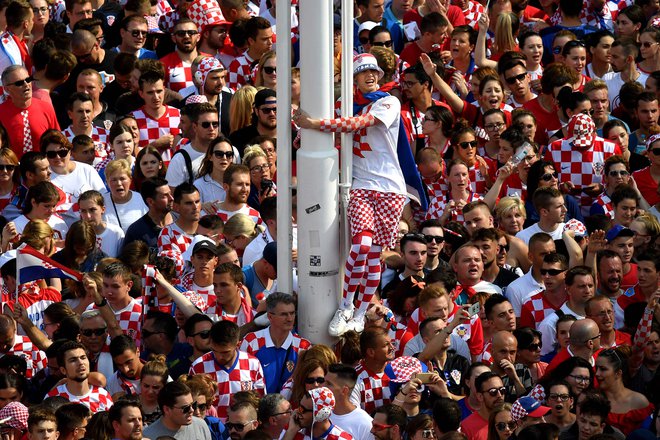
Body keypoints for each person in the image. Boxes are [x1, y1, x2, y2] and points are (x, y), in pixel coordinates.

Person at [295, 52, 412, 337]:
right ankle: (346, 305)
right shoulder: (344, 105)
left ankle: (360, 312)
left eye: (374, 71)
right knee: (360, 245)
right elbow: (332, 127)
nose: (370, 76)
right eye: (363, 73)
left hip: (389, 188)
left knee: (374, 256)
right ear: (354, 79)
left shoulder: (388, 101)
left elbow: (357, 125)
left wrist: (316, 125)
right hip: (360, 184)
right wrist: (303, 133)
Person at [189, 320, 265, 420]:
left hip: (242, 429)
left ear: (238, 344)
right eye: (215, 350)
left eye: (225, 352)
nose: (220, 356)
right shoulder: (198, 367)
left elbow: (260, 401)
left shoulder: (253, 364)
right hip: (212, 430)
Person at [241, 292, 310, 394]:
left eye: (292, 313)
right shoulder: (251, 341)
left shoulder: (303, 346)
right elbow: (242, 377)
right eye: (284, 314)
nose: (290, 319)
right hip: (258, 406)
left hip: (289, 408)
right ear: (270, 317)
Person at [0, 65, 59, 158]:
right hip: (12, 169)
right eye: (19, 83)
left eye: (28, 80)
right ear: (7, 89)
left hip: (42, 168)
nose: (26, 84)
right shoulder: (1, 113)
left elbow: (57, 140)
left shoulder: (46, 107)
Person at [47, 341, 113, 413]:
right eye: (73, 360)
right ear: (63, 370)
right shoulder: (53, 398)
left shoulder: (103, 395)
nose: (81, 363)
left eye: (83, 358)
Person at [142, 381, 213, 439]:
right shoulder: (149, 436)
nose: (191, 410)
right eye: (186, 408)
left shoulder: (200, 425)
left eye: (193, 405)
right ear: (167, 409)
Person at [282, 387, 353, 440]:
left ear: (320, 415)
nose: (297, 411)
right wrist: (291, 431)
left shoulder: (343, 438)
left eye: (302, 409)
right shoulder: (291, 429)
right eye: (299, 406)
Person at [124, 177, 173, 252]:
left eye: (170, 193)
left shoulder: (182, 221)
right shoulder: (136, 232)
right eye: (165, 196)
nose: (171, 198)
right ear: (150, 201)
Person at [78, 190, 124, 257]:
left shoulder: (116, 232)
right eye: (83, 211)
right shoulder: (78, 234)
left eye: (92, 210)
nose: (88, 216)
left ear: (103, 209)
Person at [461, 372, 507, 440]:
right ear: (480, 396)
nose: (499, 395)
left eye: (502, 390)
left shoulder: (512, 420)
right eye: (493, 392)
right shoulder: (467, 427)